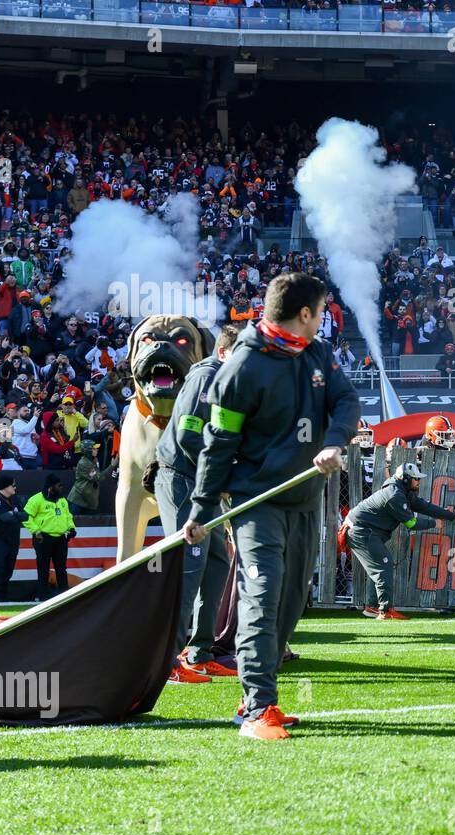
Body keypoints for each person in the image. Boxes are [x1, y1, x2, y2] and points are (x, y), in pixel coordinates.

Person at [184, 272, 359, 741]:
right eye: (320, 312)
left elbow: (346, 400)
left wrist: (335, 440)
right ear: (304, 313)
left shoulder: (318, 354)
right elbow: (218, 444)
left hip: (305, 499)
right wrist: (201, 510)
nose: (322, 320)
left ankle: (257, 695)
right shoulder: (241, 368)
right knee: (262, 594)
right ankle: (259, 706)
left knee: (289, 600)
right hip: (256, 502)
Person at [155, 324, 240, 684]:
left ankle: (199, 653)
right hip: (182, 479)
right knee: (188, 568)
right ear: (223, 353)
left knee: (217, 560)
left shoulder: (227, 384)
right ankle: (166, 660)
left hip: (201, 484)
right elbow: (189, 434)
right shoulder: (207, 377)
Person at [341, 461, 455, 621]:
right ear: (405, 479)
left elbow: (424, 506)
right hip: (362, 532)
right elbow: (411, 523)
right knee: (383, 565)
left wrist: (450, 516)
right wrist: (433, 523)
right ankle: (385, 611)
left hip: (364, 531)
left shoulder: (402, 491)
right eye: (416, 479)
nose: (418, 482)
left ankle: (372, 607)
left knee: (378, 567)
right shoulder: (395, 495)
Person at [25, 474, 75, 603]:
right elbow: (26, 518)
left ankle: (64, 595)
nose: (61, 488)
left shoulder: (62, 500)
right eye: (59, 486)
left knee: (61, 568)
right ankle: (43, 596)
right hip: (43, 538)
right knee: (43, 568)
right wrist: (36, 531)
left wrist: (71, 528)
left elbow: (68, 516)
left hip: (61, 539)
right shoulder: (36, 499)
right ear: (50, 487)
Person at [0, 474, 27, 602]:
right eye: (12, 484)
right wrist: (16, 514)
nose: (15, 487)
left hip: (13, 540)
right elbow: (5, 518)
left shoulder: (15, 499)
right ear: (5, 487)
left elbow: (26, 516)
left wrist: (13, 513)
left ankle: (3, 596)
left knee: (8, 570)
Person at [66, 439, 102, 514]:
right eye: (94, 449)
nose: (97, 450)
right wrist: (112, 465)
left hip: (86, 499)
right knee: (71, 523)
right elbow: (98, 477)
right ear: (88, 451)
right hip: (77, 500)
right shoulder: (84, 463)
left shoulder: (93, 460)